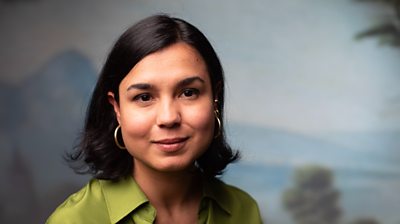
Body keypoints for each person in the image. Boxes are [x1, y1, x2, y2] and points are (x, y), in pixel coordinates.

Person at [46, 14, 262, 224]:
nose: (168, 118)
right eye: (144, 97)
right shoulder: (74, 220)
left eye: (188, 92)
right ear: (117, 108)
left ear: (214, 99)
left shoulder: (242, 211)